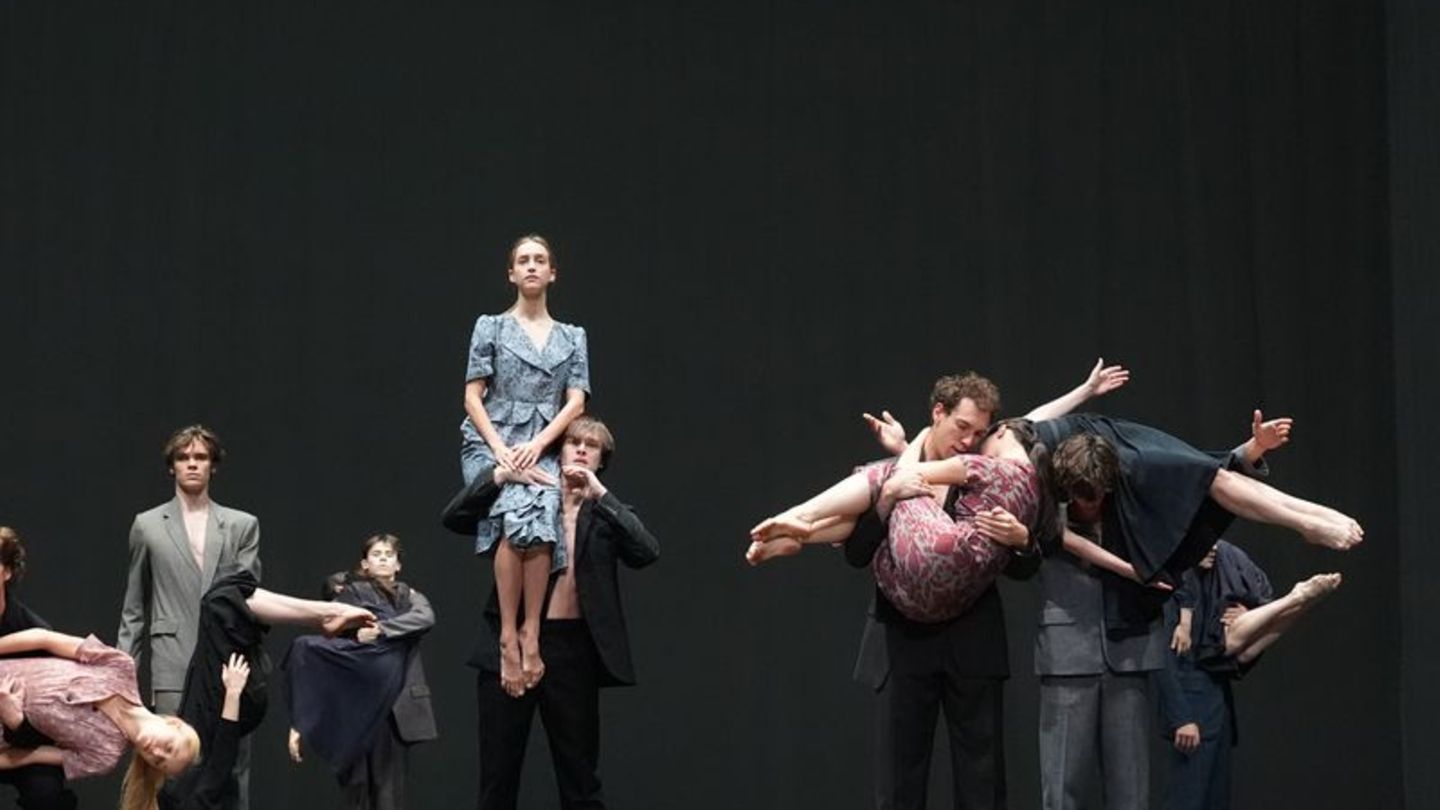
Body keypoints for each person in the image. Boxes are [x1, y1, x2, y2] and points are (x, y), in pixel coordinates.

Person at [810, 363, 1124, 810]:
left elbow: (1028, 561)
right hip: (901, 644)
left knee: (982, 782)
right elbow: (857, 552)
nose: (969, 439)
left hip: (971, 644)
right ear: (937, 413)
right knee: (899, 783)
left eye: (978, 433)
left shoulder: (987, 473)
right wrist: (887, 498)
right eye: (962, 426)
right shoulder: (890, 473)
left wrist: (1021, 541)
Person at [1032, 412, 1289, 810]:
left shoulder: (1131, 505)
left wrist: (1251, 450)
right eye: (1084, 496)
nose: (1092, 503)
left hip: (1131, 653)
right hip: (1067, 654)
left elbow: (1192, 478)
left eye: (1099, 494)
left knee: (1131, 789)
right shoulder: (1045, 510)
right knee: (1062, 788)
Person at [444, 415, 658, 810]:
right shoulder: (527, 495)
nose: (580, 449)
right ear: (557, 449)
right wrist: (502, 475)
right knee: (497, 778)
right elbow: (454, 516)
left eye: (590, 445)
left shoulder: (605, 513)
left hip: (572, 649)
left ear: (601, 459)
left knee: (580, 779)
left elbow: (647, 552)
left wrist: (602, 496)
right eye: (573, 441)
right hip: (508, 647)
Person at [460, 234, 590, 696]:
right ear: (511, 273)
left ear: (552, 273)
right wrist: (500, 448)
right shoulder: (491, 327)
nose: (532, 266)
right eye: (523, 260)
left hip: (544, 441)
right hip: (492, 440)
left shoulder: (573, 336)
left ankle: (530, 631)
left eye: (540, 260)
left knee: (542, 503)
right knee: (516, 503)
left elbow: (575, 401)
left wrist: (538, 444)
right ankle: (506, 634)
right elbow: (473, 395)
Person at [1030, 413, 1362, 587]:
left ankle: (1310, 517)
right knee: (1213, 478)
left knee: (1214, 475)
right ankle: (1306, 521)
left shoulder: (1129, 466)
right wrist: (1131, 571)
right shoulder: (1043, 483)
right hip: (1106, 475)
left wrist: (1087, 389)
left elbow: (1032, 420)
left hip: (1112, 445)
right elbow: (1064, 537)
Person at [117, 426, 262, 809]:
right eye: (184, 458)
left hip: (227, 664)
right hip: (172, 662)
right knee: (171, 770)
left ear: (213, 465)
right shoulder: (147, 526)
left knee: (231, 767)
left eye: (200, 457)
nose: (192, 464)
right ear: (172, 467)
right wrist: (122, 679)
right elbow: (134, 609)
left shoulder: (241, 525)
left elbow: (249, 600)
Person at [1154, 541, 1341, 810]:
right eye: (1204, 544)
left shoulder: (1217, 582)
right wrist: (1181, 718)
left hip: (1218, 709)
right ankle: (1296, 599)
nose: (1213, 549)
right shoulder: (1169, 589)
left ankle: (1298, 603)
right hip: (1193, 713)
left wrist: (1249, 612)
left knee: (1215, 799)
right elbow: (1162, 658)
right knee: (1187, 799)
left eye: (1215, 543)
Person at [285, 534, 438, 810]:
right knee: (356, 788)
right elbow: (337, 625)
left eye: (388, 554)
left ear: (398, 565)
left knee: (390, 792)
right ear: (364, 563)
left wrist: (381, 630)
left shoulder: (410, 597)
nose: (382, 558)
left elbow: (425, 618)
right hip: (358, 702)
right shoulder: (352, 593)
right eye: (376, 553)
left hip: (395, 706)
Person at [0, 527, 77, 810]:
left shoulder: (35, 632)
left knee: (47, 797)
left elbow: (53, 723)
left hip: (28, 741)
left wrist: (16, 720)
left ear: (6, 572)